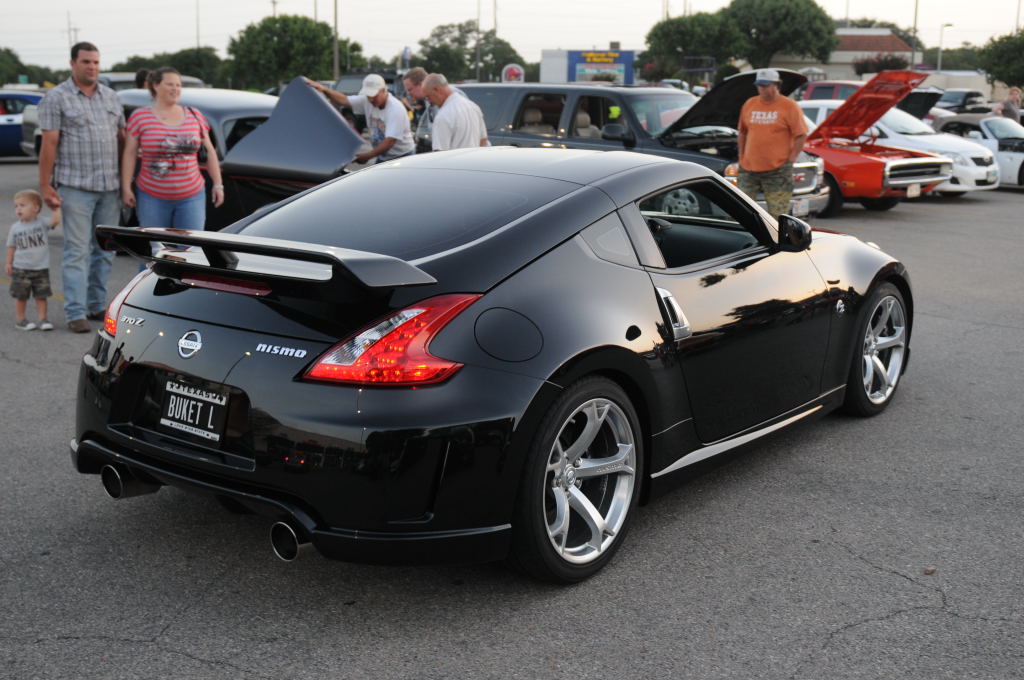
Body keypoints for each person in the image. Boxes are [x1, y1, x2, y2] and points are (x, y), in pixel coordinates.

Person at [37, 41, 124, 333]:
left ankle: (96, 305)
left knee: (105, 251)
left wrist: (126, 182)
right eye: (86, 61)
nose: (92, 67)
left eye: (96, 62)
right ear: (73, 63)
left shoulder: (111, 97)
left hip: (110, 187)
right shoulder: (57, 97)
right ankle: (75, 312)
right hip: (75, 187)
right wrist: (45, 185)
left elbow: (122, 140)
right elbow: (49, 144)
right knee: (76, 251)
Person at [120, 66, 224, 267]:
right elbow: (129, 153)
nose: (175, 88)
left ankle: (183, 287)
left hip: (191, 196)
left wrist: (218, 184)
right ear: (155, 86)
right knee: (153, 254)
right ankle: (148, 287)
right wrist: (126, 187)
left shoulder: (194, 115)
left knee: (191, 253)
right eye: (170, 84)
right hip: (152, 196)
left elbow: (210, 151)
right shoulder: (140, 117)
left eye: (178, 85)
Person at [736, 68, 808, 220]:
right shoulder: (750, 104)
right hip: (748, 169)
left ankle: (775, 236)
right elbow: (742, 132)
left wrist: (790, 160)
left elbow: (801, 135)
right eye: (759, 85)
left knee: (777, 215)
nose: (761, 89)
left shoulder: (789, 106)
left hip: (778, 170)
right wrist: (741, 156)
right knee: (742, 210)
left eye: (765, 85)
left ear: (777, 85)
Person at [307, 74, 414, 164]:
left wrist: (367, 156)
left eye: (374, 96)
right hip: (384, 156)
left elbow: (390, 142)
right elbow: (344, 100)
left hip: (402, 156)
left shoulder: (395, 109)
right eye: (368, 96)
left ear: (384, 91)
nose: (371, 99)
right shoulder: (367, 101)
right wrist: (324, 89)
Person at [6, 190, 59, 331]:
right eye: (16, 206)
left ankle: (43, 319)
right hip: (21, 269)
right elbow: (11, 246)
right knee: (21, 296)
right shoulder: (15, 228)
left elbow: (55, 221)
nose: (18, 209)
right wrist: (9, 263)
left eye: (22, 205)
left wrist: (57, 208)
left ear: (35, 208)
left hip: (40, 268)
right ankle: (21, 320)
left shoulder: (42, 222)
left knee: (41, 295)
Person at [421, 73, 488, 151]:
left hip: (455, 159)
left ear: (437, 90)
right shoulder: (473, 106)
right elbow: (483, 139)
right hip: (474, 158)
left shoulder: (443, 116)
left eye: (428, 97)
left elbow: (439, 153)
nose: (429, 102)